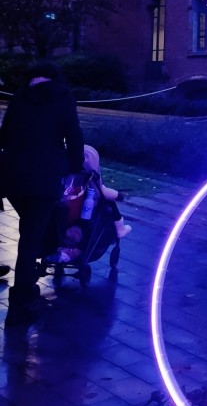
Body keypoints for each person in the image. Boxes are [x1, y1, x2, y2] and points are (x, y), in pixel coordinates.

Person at [0, 61, 84, 326]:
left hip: (12, 177)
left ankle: (27, 291)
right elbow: (74, 137)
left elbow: (4, 136)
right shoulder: (63, 98)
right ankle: (21, 301)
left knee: (30, 230)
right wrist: (74, 165)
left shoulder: (19, 98)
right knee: (29, 239)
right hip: (44, 178)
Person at [48, 144, 131, 262]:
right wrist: (119, 195)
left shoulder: (63, 177)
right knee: (110, 204)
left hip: (61, 212)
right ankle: (119, 228)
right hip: (84, 215)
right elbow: (102, 192)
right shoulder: (90, 179)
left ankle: (62, 250)